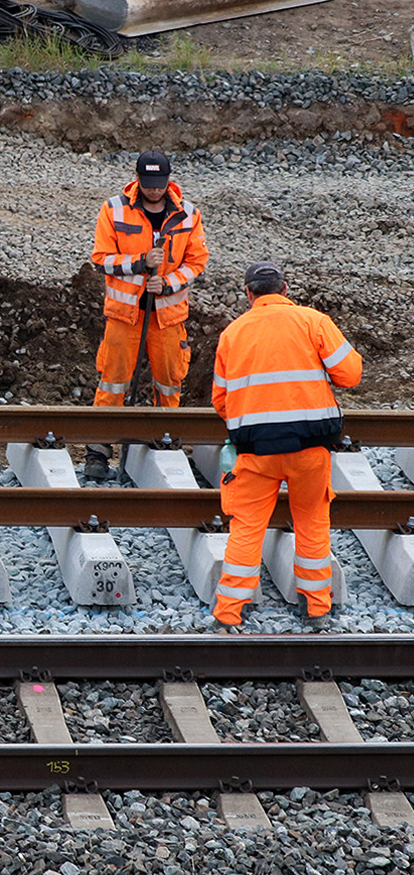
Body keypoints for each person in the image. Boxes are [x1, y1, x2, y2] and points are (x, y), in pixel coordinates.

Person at [210, 261, 362, 626]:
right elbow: (351, 374)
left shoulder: (233, 333)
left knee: (246, 527)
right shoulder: (313, 321)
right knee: (311, 522)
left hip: (256, 452)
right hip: (310, 449)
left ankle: (229, 613)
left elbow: (220, 400)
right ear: (285, 288)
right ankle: (317, 611)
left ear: (249, 294)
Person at [84, 150, 209, 481]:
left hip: (167, 317)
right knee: (113, 381)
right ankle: (98, 452)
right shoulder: (114, 209)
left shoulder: (187, 215)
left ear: (169, 181)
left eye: (159, 185)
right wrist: (139, 263)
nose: (154, 191)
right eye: (149, 185)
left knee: (168, 382)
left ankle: (164, 444)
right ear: (137, 180)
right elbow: (100, 258)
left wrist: (166, 283)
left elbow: (196, 262)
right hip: (125, 316)